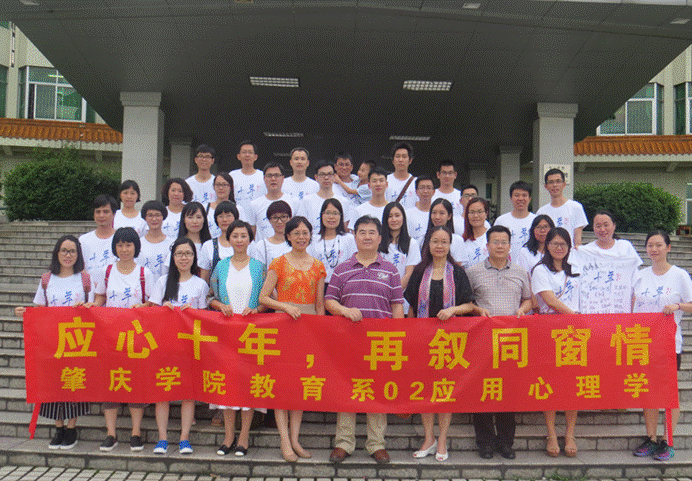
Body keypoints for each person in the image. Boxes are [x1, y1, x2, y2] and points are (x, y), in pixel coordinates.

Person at [325, 215, 405, 465]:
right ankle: (343, 443)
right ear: (355, 236)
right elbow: (329, 301)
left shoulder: (391, 270)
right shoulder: (342, 269)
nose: (367, 237)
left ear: (380, 238)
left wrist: (397, 337)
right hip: (348, 342)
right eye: (362, 232)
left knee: (377, 392)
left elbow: (397, 306)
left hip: (381, 344)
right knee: (346, 390)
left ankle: (376, 444)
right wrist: (344, 311)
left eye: (372, 232)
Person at [404, 226, 477, 462]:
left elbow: (470, 305)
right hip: (423, 340)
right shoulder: (419, 272)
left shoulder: (457, 273)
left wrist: (453, 309)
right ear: (429, 244)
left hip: (449, 342)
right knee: (425, 389)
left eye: (444, 242)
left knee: (444, 390)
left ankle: (443, 439)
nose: (439, 246)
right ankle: (429, 438)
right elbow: (411, 307)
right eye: (435, 241)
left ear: (449, 246)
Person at [14, 235, 91, 450]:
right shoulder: (47, 279)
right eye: (64, 250)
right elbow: (40, 309)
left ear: (78, 255)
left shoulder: (85, 279)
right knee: (54, 382)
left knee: (74, 381)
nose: (68, 255)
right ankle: (58, 428)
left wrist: (86, 307)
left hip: (76, 341)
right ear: (57, 253)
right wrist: (26, 312)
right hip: (52, 341)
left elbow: (93, 307)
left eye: (72, 251)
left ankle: (71, 428)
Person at [259, 216, 326, 462]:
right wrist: (284, 306)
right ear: (287, 236)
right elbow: (263, 297)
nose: (301, 237)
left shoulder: (318, 266)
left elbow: (320, 304)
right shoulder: (278, 263)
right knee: (282, 384)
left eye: (305, 232)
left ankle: (295, 439)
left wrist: (320, 334)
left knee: (299, 385)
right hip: (284, 326)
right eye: (296, 233)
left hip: (308, 329)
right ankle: (284, 440)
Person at [466, 225, 532, 460]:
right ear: (487, 245)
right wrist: (478, 310)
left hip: (511, 342)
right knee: (482, 392)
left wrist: (522, 310)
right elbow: (467, 302)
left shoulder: (520, 272)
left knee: (508, 393)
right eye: (495, 242)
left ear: (510, 246)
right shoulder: (473, 272)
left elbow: (529, 300)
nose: (500, 246)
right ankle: (484, 442)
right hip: (482, 342)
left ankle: (505, 443)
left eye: (504, 242)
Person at [88, 227, 156, 452]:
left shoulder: (145, 273)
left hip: (136, 338)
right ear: (114, 247)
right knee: (111, 383)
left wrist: (143, 306)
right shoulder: (107, 271)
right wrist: (92, 306)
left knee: (136, 382)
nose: (124, 249)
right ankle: (111, 433)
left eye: (128, 245)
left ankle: (136, 433)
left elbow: (153, 303)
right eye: (119, 245)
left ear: (136, 247)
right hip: (110, 337)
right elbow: (100, 297)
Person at [631, 230, 692, 461]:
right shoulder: (640, 275)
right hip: (642, 343)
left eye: (658, 245)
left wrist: (678, 306)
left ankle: (668, 440)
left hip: (668, 344)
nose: (654, 249)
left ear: (668, 247)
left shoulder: (679, 275)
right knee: (648, 391)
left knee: (668, 393)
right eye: (650, 245)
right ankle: (651, 438)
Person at [209, 220, 267, 457]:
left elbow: (267, 299)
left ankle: (243, 436)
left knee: (247, 384)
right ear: (229, 239)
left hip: (251, 334)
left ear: (250, 240)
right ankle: (228, 436)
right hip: (226, 334)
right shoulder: (221, 266)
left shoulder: (259, 267)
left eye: (244, 236)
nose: (240, 240)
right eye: (235, 236)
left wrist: (257, 309)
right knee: (227, 384)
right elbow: (210, 297)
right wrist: (220, 305)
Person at [149, 237, 209, 455]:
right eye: (179, 254)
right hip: (165, 345)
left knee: (188, 393)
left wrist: (192, 313)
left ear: (194, 258)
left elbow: (205, 318)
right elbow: (151, 313)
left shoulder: (200, 284)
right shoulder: (162, 282)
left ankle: (184, 438)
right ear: (172, 257)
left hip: (189, 346)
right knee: (162, 392)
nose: (184, 258)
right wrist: (163, 309)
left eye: (188, 254)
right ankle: (162, 438)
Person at [531, 227, 580, 458]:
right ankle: (551, 433)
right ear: (547, 246)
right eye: (555, 244)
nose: (559, 248)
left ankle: (570, 434)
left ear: (569, 247)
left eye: (564, 244)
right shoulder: (540, 270)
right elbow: (549, 299)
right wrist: (574, 317)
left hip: (576, 333)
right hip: (550, 331)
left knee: (572, 384)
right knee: (549, 383)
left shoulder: (576, 269)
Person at [379, 202, 420, 308]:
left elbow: (409, 273)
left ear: (403, 218)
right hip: (380, 299)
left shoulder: (412, 243)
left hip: (402, 300)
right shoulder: (378, 242)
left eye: (397, 215)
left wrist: (394, 294)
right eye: (390, 216)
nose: (394, 219)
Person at [308, 198, 357, 286]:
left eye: (335, 213)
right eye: (328, 213)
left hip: (342, 285)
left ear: (341, 217)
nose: (331, 217)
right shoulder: (314, 239)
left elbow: (353, 265)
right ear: (322, 215)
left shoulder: (349, 239)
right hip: (319, 286)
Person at [536, 168, 587, 247]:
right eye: (551, 182)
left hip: (569, 253)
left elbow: (577, 240)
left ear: (564, 184)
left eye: (558, 181)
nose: (554, 185)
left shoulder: (576, 207)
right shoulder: (541, 212)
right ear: (546, 186)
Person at [248, 162, 297, 240]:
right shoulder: (255, 204)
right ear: (264, 178)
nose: (273, 179)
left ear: (283, 178)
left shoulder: (294, 202)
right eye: (269, 176)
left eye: (277, 175)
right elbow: (251, 234)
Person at [297, 160, 349, 229]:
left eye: (329, 174)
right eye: (322, 174)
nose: (326, 178)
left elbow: (345, 228)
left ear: (334, 176)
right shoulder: (307, 201)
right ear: (316, 177)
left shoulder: (343, 201)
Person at [493, 180, 536, 260]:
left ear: (529, 198)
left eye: (524, 195)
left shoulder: (536, 220)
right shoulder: (501, 221)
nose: (520, 199)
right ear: (511, 198)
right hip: (507, 265)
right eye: (516, 195)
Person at [199, 201, 240, 282]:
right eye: (220, 216)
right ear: (216, 220)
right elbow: (204, 279)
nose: (224, 220)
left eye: (228, 216)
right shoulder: (208, 245)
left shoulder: (247, 244)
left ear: (235, 217)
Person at [79, 195, 118, 281]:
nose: (101, 215)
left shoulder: (120, 239)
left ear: (114, 214)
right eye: (98, 212)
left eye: (106, 212)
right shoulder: (83, 240)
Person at [136, 200, 173, 283]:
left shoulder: (172, 244)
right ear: (145, 217)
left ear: (163, 217)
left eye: (157, 215)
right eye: (150, 215)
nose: (154, 219)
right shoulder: (138, 244)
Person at [248, 200, 293, 267]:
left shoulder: (297, 242)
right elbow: (259, 270)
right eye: (275, 218)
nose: (279, 221)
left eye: (283, 217)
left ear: (290, 218)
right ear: (269, 220)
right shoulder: (262, 245)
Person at [206, 172, 248, 238]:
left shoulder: (238, 209)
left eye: (224, 185)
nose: (221, 188)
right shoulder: (205, 208)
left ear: (231, 187)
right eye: (218, 185)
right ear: (213, 187)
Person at [230, 140, 267, 211]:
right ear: (238, 156)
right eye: (244, 152)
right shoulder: (232, 175)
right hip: (237, 216)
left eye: (250, 152)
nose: (247, 155)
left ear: (255, 157)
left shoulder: (263, 176)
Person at [427, 198, 465, 264]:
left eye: (442, 213)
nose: (437, 217)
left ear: (449, 216)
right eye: (434, 213)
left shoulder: (457, 240)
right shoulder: (423, 240)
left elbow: (458, 266)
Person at [385, 141, 417, 209]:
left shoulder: (416, 182)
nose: (401, 160)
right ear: (393, 160)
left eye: (404, 157)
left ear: (410, 160)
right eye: (397, 156)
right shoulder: (385, 180)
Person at [461, 197, 490, 268]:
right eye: (472, 212)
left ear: (486, 214)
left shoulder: (493, 236)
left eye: (479, 212)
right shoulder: (462, 241)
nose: (476, 216)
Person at [406, 175, 435, 242]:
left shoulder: (437, 214)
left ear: (434, 191)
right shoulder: (407, 214)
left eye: (429, 188)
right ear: (416, 191)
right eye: (422, 188)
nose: (425, 191)